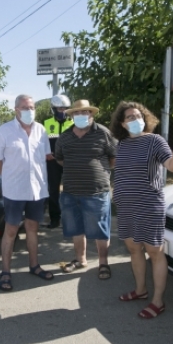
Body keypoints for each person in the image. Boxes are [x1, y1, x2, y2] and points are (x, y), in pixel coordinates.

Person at [109, 101, 173, 318]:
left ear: (145, 118)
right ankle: (140, 290)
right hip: (126, 205)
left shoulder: (154, 141)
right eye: (129, 117)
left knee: (154, 252)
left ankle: (157, 301)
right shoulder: (121, 145)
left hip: (149, 205)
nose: (135, 119)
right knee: (133, 249)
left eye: (138, 115)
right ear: (122, 123)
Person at [0, 94, 54, 291]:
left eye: (32, 107)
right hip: (14, 191)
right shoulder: (4, 131)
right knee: (11, 231)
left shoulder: (41, 130)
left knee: (33, 228)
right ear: (16, 110)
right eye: (25, 108)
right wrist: (8, 176)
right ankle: (5, 272)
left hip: (37, 190)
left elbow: (46, 157)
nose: (30, 111)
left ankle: (34, 266)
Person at [54, 99, 117, 279]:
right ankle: (80, 259)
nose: (82, 116)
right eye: (77, 113)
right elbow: (60, 159)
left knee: (101, 229)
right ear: (72, 115)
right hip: (70, 192)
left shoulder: (104, 133)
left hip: (97, 191)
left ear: (91, 114)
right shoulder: (65, 137)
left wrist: (98, 171)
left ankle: (103, 263)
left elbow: (114, 158)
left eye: (85, 112)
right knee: (75, 228)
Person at [43, 94, 74, 228]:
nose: (62, 111)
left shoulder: (73, 123)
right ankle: (54, 219)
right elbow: (42, 143)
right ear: (54, 109)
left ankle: (70, 219)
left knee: (70, 191)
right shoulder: (46, 123)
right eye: (59, 109)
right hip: (52, 162)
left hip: (69, 162)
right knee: (53, 190)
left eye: (65, 108)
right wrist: (46, 153)